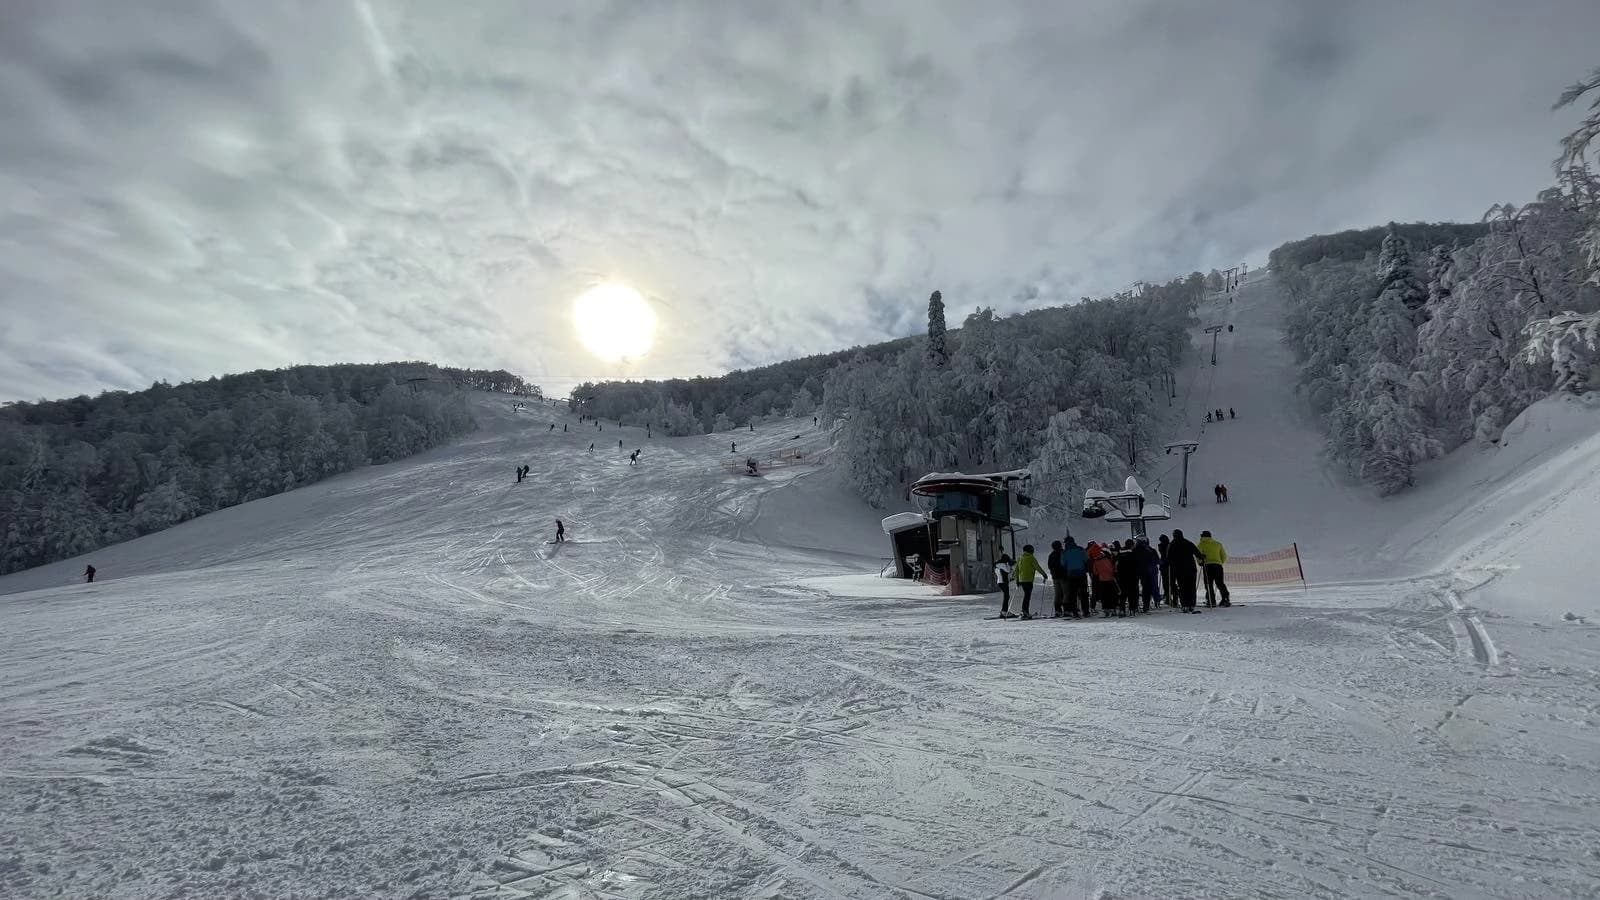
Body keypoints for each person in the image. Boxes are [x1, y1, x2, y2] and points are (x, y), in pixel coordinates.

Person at [1167, 529, 1203, 613]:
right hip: (1191, 569)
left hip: (1179, 570)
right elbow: (1197, 553)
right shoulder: (1188, 543)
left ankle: (1184, 605)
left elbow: (1168, 557)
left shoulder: (1172, 544)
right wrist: (1202, 557)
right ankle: (1192, 605)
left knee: (1182, 587)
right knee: (1191, 587)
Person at [1198, 530, 1231, 607]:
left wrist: (1200, 563)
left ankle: (1211, 600)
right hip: (1218, 566)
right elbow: (1224, 556)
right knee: (1220, 583)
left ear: (1202, 536)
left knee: (1208, 584)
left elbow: (1198, 555)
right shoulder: (1218, 544)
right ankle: (1225, 599)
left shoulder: (1201, 545)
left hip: (1207, 566)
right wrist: (1219, 562)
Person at [1013, 544, 1047, 620]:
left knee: (1026, 596)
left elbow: (1016, 570)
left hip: (1021, 580)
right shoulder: (1031, 558)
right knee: (1027, 596)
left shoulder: (1020, 558)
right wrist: (1044, 574)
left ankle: (1024, 611)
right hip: (1028, 580)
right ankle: (1025, 611)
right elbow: (1037, 567)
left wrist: (1017, 580)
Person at [1088, 542, 1119, 617]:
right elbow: (1112, 568)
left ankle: (1106, 610)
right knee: (1112, 594)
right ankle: (1113, 609)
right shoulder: (1108, 558)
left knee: (1104, 595)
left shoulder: (1096, 561)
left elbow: (1095, 572)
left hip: (1102, 580)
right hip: (1111, 579)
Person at [1061, 536, 1089, 618]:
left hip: (1071, 575)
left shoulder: (1065, 552)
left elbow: (1063, 563)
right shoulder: (1080, 549)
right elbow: (1086, 559)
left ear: (1066, 543)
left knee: (1072, 594)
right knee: (1083, 593)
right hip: (1081, 574)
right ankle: (1086, 611)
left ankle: (1074, 611)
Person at [1114, 541, 1142, 615]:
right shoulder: (1134, 552)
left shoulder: (1120, 552)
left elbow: (1116, 564)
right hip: (1132, 576)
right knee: (1131, 594)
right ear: (1132, 545)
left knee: (1123, 594)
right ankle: (1131, 609)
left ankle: (1122, 610)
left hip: (1121, 576)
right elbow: (1137, 564)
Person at [1046, 540, 1068, 617]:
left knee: (1057, 594)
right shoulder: (1064, 553)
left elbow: (1049, 566)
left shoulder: (1051, 555)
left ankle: (1057, 610)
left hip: (1055, 576)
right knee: (1066, 593)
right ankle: (1066, 609)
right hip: (1064, 575)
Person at [993, 554, 1015, 618]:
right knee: (1006, 596)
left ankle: (1004, 611)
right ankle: (1004, 611)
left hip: (1001, 582)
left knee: (1006, 596)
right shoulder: (1002, 565)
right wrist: (1009, 565)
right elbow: (1008, 570)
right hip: (1003, 582)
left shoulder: (998, 564)